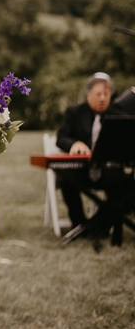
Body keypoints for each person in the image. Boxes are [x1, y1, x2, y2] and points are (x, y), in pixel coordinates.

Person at [56, 72, 118, 228]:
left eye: (106, 94)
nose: (102, 98)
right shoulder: (74, 112)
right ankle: (80, 224)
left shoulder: (118, 115)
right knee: (65, 179)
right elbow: (61, 137)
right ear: (89, 95)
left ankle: (100, 225)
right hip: (81, 171)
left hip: (107, 172)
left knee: (126, 184)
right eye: (98, 94)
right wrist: (74, 144)